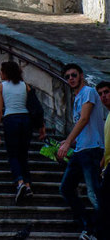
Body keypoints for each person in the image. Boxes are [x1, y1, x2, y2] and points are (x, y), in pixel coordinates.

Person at [57, 64, 105, 240]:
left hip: (92, 149)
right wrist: (69, 142)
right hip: (80, 149)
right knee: (66, 188)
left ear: (81, 75)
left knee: (94, 194)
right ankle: (88, 225)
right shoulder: (77, 98)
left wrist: (68, 142)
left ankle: (100, 231)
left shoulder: (88, 92)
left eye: (74, 75)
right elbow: (84, 126)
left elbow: (84, 119)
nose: (70, 78)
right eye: (67, 76)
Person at [0, 61, 46, 205]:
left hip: (11, 120)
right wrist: (41, 126)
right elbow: (34, 105)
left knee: (13, 154)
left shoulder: (1, 87)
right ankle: (27, 185)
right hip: (26, 120)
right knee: (23, 154)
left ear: (6, 72)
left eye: (1, 71)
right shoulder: (25, 86)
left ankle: (20, 182)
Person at [96, 81, 110, 240]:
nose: (103, 96)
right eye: (100, 94)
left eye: (106, 92)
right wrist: (102, 163)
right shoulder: (108, 118)